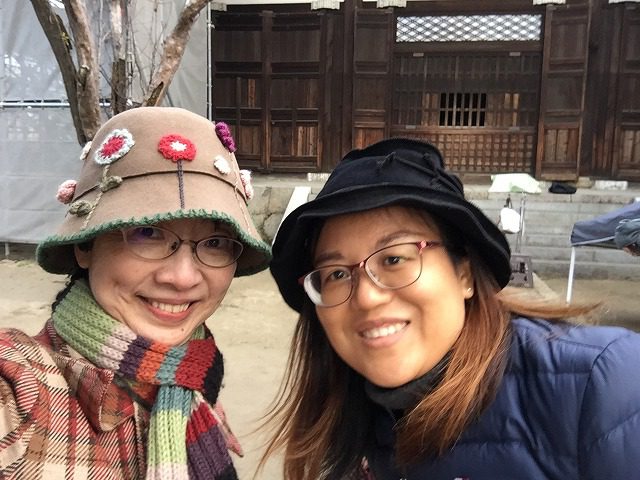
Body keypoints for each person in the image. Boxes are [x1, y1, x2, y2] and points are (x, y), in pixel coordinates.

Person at [263, 138, 640, 480]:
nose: (366, 297)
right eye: (336, 273)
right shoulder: (346, 417)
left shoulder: (605, 388)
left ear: (465, 274)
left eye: (394, 259)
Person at [0, 107, 271, 479]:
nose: (182, 278)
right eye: (147, 232)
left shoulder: (191, 373)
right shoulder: (19, 391)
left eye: (215, 242)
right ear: (84, 246)